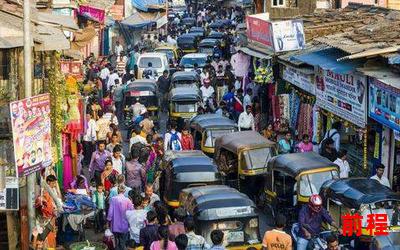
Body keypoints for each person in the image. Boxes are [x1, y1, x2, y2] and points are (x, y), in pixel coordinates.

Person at [107, 185, 134, 250]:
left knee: (116, 243)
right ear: (124, 191)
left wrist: (108, 222)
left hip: (115, 226)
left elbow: (110, 213)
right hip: (124, 226)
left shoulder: (113, 199)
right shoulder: (127, 200)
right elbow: (131, 212)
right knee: (123, 243)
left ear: (117, 190)